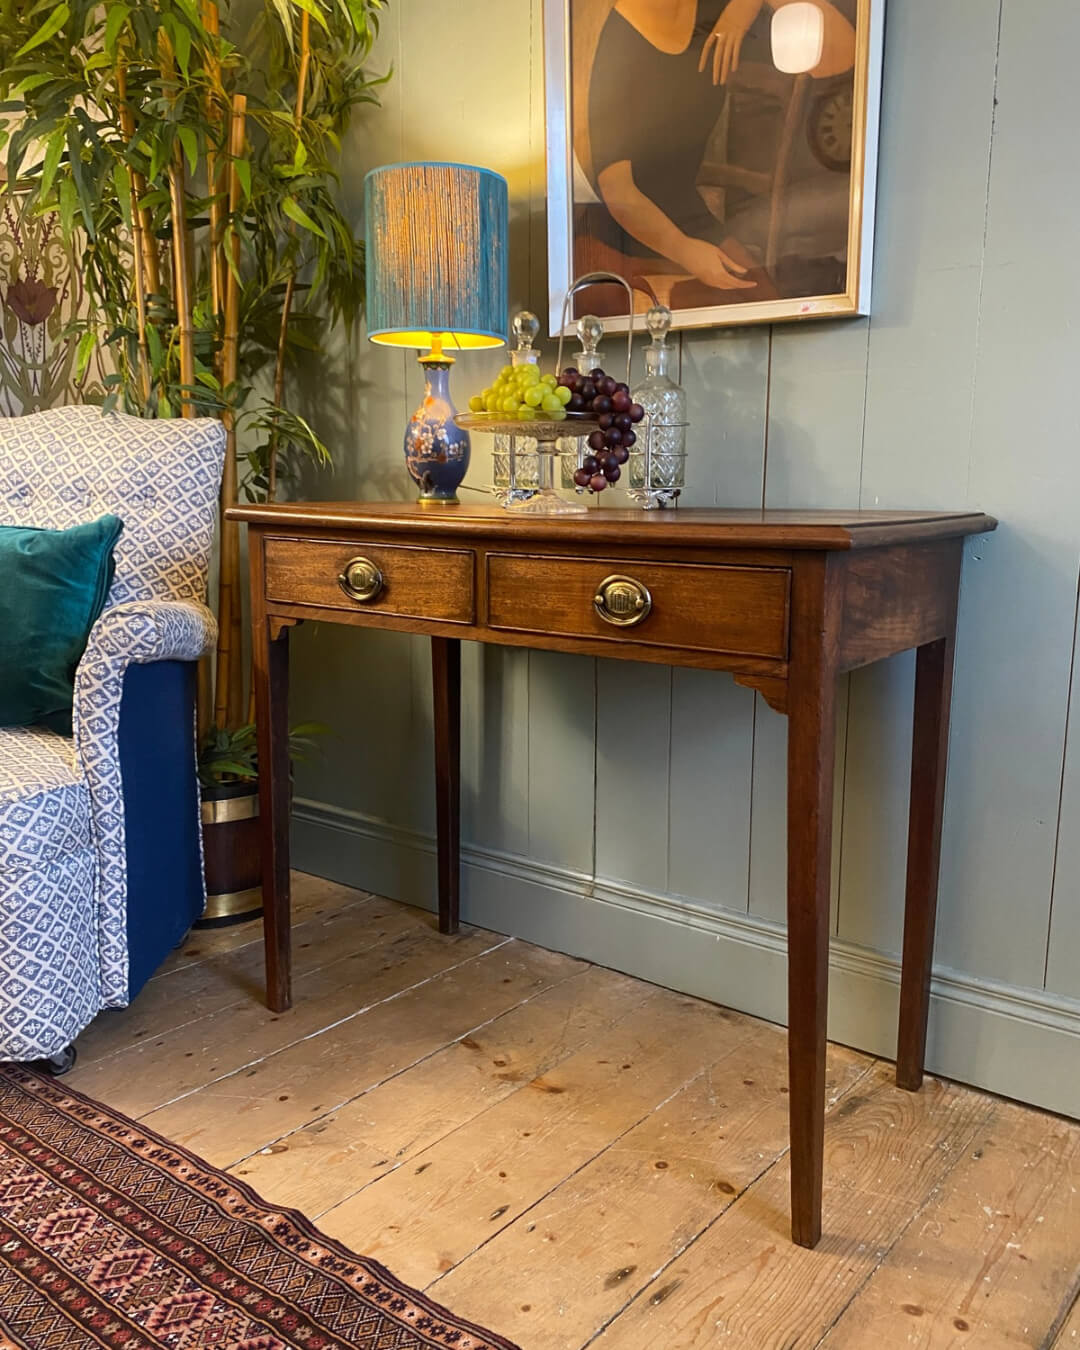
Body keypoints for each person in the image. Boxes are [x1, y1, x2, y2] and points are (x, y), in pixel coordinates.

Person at [579, 0, 856, 306]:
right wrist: (685, 251)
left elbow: (844, 52)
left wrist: (748, 5)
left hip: (694, 221)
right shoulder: (618, 45)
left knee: (765, 308)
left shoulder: (717, 11)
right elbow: (618, 191)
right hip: (624, 239)